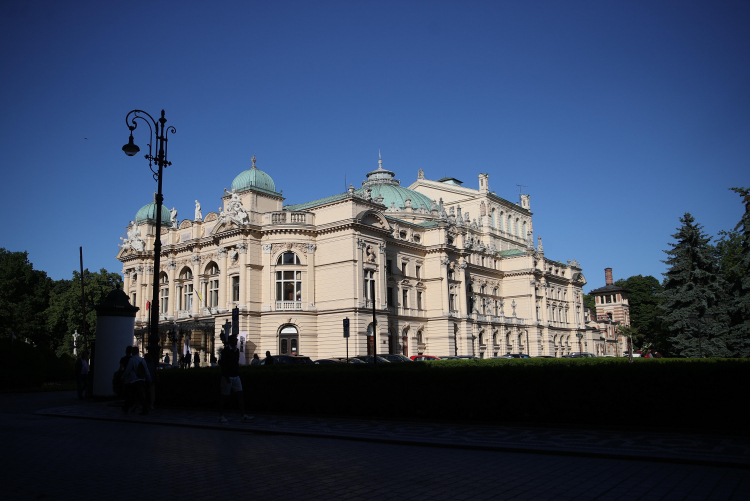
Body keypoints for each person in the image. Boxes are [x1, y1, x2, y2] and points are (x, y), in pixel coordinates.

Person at [218, 335, 253, 423]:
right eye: (235, 340)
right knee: (224, 397)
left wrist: (237, 373)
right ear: (230, 341)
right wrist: (226, 376)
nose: (236, 341)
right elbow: (223, 365)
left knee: (240, 395)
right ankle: (221, 416)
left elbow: (235, 363)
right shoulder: (225, 351)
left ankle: (243, 415)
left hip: (235, 376)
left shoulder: (236, 350)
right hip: (227, 377)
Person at [121, 346, 151, 415]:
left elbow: (127, 371)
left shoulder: (132, 360)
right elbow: (146, 371)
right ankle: (130, 407)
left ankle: (127, 407)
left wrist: (123, 378)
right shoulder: (142, 360)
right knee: (139, 395)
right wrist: (149, 379)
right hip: (142, 380)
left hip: (134, 380)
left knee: (133, 395)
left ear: (132, 352)